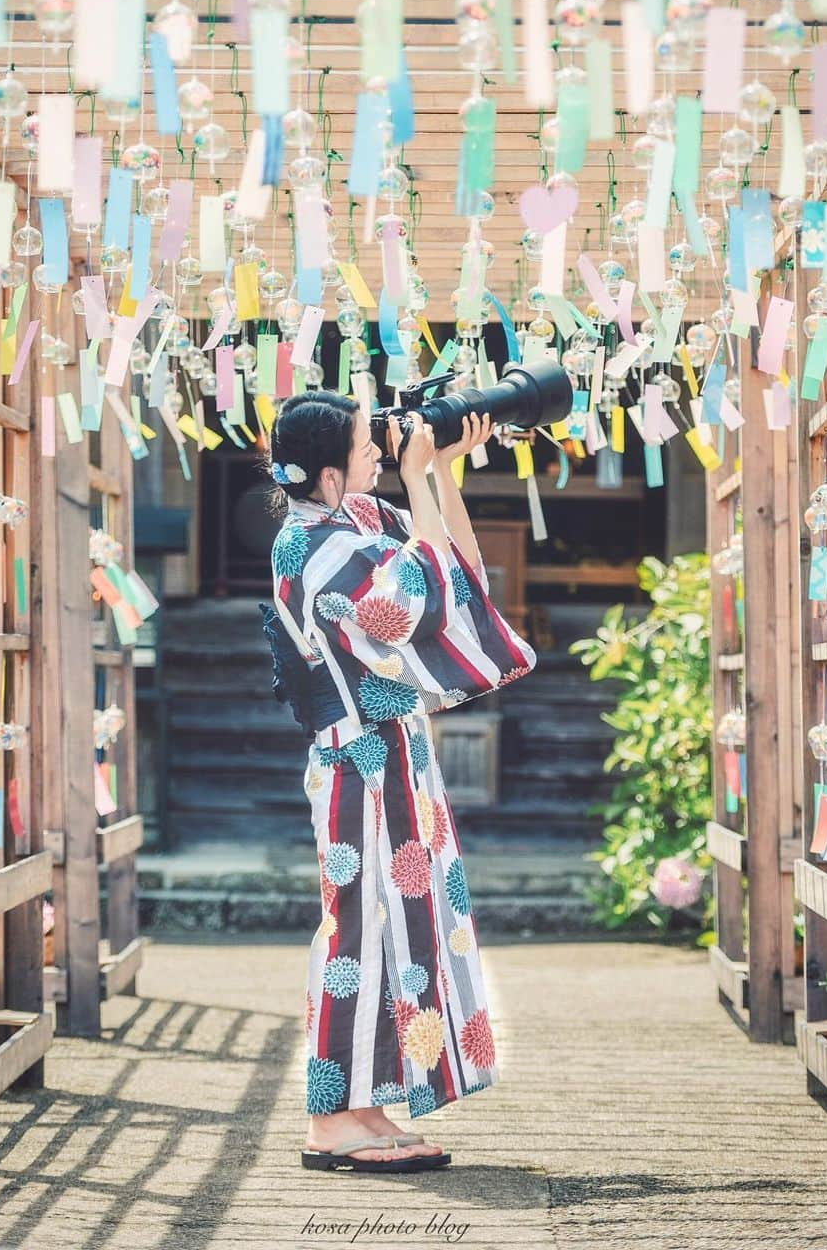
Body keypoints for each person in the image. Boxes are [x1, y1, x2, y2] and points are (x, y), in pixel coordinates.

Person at [263, 390, 537, 1174]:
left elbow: (454, 565)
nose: (378, 452)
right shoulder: (307, 548)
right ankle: (331, 1121)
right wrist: (418, 481)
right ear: (325, 473)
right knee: (357, 932)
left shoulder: (352, 520)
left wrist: (440, 471)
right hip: (358, 760)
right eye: (363, 446)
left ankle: (366, 1108)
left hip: (393, 756)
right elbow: (401, 614)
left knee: (394, 931)